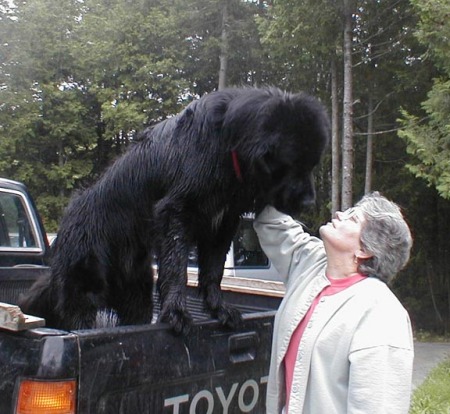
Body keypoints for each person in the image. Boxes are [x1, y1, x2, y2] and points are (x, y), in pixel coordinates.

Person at [253, 192, 414, 414]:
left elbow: (378, 407)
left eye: (353, 219)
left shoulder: (381, 313)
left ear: (364, 250)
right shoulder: (311, 263)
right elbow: (271, 222)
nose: (339, 214)